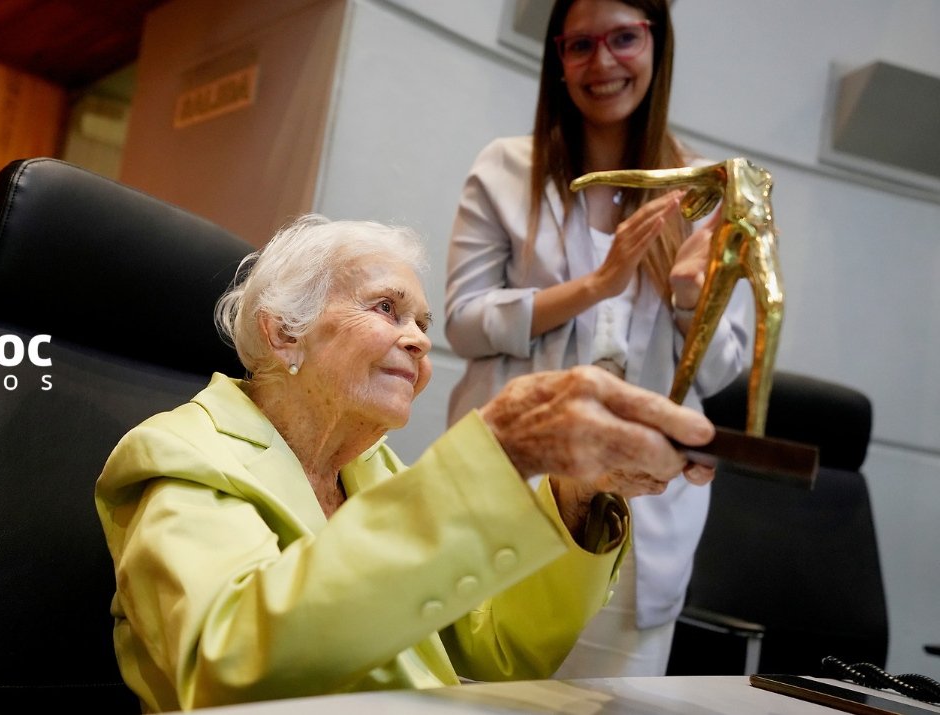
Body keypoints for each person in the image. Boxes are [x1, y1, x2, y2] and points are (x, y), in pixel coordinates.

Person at [96, 213, 717, 711]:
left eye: (423, 322)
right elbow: (227, 670)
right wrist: (499, 450)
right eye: (386, 308)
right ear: (286, 332)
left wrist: (577, 493)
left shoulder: (377, 471)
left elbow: (498, 653)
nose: (420, 339)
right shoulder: (182, 454)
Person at [444, 0, 749, 678]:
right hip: (515, 487)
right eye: (580, 45)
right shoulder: (503, 169)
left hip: (644, 507)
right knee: (488, 682)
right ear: (557, 58)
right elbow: (463, 320)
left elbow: (725, 366)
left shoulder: (707, 191)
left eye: (623, 39)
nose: (602, 62)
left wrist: (691, 294)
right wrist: (599, 283)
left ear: (656, 45)